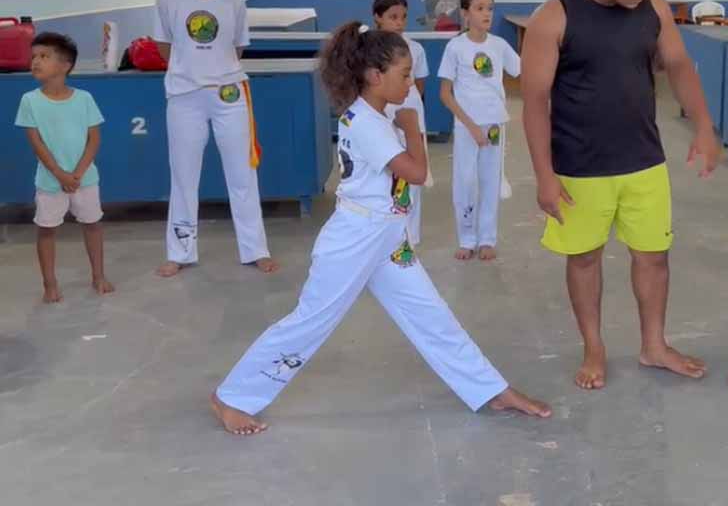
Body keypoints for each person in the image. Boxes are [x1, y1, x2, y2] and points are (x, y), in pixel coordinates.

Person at [210, 22, 551, 436]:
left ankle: (490, 389)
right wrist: (412, 125)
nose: (410, 83)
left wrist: (402, 120)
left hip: (387, 236)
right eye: (404, 75)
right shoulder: (368, 123)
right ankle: (231, 397)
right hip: (356, 238)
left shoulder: (374, 114)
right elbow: (417, 172)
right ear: (374, 76)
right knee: (310, 321)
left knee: (430, 315)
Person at [521, 0, 720, 390]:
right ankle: (594, 348)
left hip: (644, 161)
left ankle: (654, 346)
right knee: (584, 259)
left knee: (654, 257)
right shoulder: (554, 16)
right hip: (580, 167)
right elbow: (534, 102)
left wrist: (704, 125)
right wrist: (544, 176)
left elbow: (678, 65)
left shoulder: (654, 7)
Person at [152, 0, 277, 277]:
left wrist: (216, 74)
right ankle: (180, 251)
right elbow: (164, 46)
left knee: (242, 175)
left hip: (229, 95)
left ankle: (255, 249)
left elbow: (237, 47)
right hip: (184, 97)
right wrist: (191, 73)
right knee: (183, 176)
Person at [14, 33, 114, 303]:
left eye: (44, 56)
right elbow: (37, 144)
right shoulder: (29, 101)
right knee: (46, 230)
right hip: (50, 182)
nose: (35, 62)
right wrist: (59, 174)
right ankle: (50, 284)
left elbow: (94, 139)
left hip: (85, 180)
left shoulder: (84, 98)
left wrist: (77, 174)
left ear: (65, 65)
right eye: (34, 57)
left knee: (92, 225)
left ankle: (98, 276)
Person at [438, 0, 520, 261]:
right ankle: (467, 239)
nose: (487, 14)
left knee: (490, 180)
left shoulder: (499, 45)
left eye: (490, 8)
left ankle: (486, 239)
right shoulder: (456, 47)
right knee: (465, 181)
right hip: (466, 126)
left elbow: (520, 69)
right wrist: (471, 126)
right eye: (480, 8)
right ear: (465, 13)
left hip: (494, 125)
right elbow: (445, 94)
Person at [373, 0, 432, 245]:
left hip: (410, 114)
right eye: (393, 17)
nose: (399, 23)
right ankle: (388, 236)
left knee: (413, 174)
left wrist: (408, 112)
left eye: (403, 17)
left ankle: (410, 238)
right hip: (382, 115)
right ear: (377, 17)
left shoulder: (415, 48)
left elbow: (419, 84)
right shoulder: (369, 48)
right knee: (387, 175)